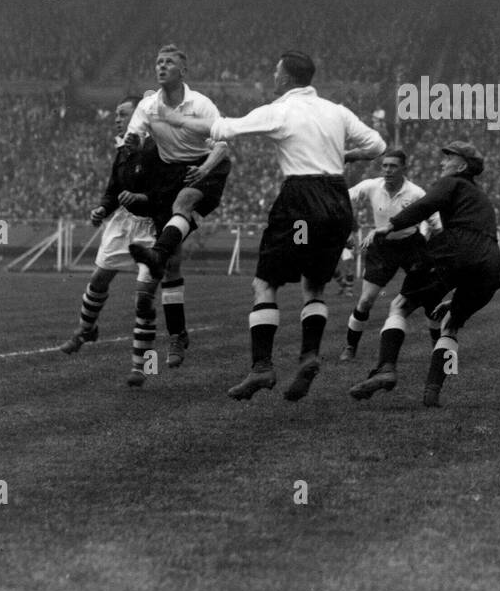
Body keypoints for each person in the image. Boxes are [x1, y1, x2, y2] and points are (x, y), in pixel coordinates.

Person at [158, 50, 386, 402]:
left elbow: (223, 129)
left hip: (301, 200)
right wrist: (346, 155)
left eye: (276, 71)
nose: (273, 75)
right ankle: (309, 355)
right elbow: (377, 145)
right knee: (314, 285)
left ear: (286, 78)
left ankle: (262, 367)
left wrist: (174, 119)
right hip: (338, 200)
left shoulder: (280, 109)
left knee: (265, 282)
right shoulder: (336, 111)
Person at [349, 141, 500, 408]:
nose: (442, 163)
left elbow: (426, 205)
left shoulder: (453, 182)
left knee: (399, 305)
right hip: (490, 263)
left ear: (461, 166)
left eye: (448, 158)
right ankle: (432, 391)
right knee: (451, 323)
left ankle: (386, 368)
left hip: (457, 246)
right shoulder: (481, 197)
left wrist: (390, 226)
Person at [59, 95, 187, 386]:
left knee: (143, 298)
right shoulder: (124, 151)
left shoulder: (160, 149)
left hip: (153, 227)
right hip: (123, 223)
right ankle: (86, 330)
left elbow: (168, 193)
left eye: (122, 114)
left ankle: (141, 367)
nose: (117, 119)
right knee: (98, 279)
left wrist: (142, 198)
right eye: (116, 114)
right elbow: (113, 190)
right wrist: (102, 209)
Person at [126, 44, 231, 369]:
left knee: (185, 202)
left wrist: (205, 169)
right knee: (172, 264)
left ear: (183, 71)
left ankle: (156, 253)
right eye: (158, 62)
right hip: (167, 175)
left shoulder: (200, 104)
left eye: (169, 62)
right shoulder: (147, 106)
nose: (162, 66)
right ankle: (178, 335)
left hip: (205, 167)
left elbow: (223, 144)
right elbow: (132, 139)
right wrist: (131, 146)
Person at [340, 147, 442, 363]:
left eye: (393, 166)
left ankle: (437, 345)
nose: (387, 170)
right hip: (382, 248)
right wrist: (346, 227)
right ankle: (350, 347)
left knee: (430, 300)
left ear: (404, 168)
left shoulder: (416, 193)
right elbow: (342, 198)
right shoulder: (371, 186)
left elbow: (437, 222)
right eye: (385, 166)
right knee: (366, 300)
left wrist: (439, 245)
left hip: (412, 246)